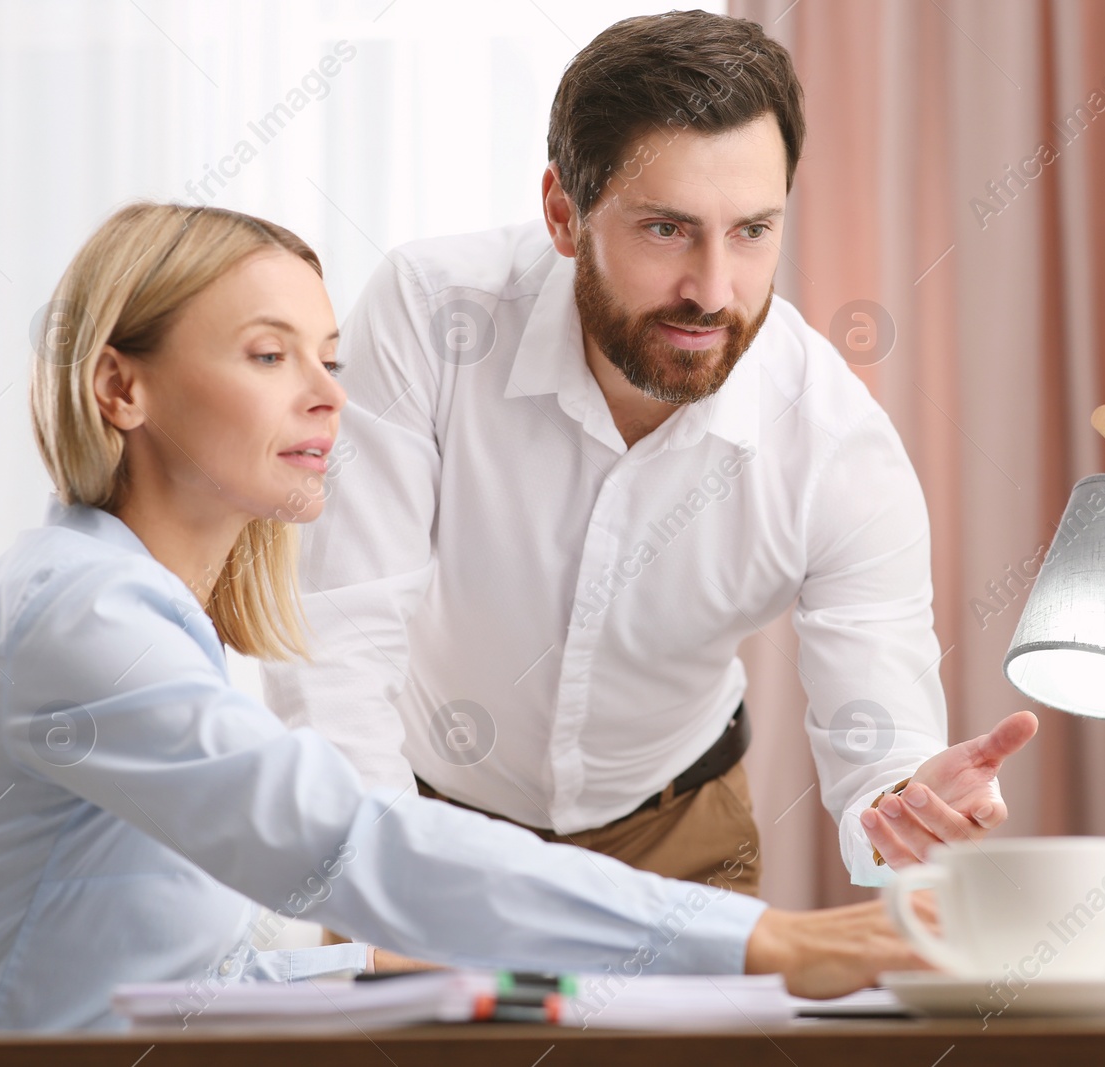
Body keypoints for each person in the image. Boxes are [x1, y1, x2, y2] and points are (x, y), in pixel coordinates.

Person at [0, 203, 934, 1048]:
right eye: (269, 353)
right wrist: (769, 936)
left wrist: (397, 974)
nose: (331, 394)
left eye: (330, 355)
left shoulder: (132, 608)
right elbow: (344, 841)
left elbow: (174, 969)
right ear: (120, 386)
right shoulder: (86, 616)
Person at [262, 9, 1038, 900]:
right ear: (564, 212)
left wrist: (905, 808)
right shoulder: (432, 315)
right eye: (667, 229)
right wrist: (376, 885)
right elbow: (340, 627)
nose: (713, 291)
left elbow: (882, 746)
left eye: (752, 231)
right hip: (430, 818)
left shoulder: (836, 447)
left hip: (683, 832)